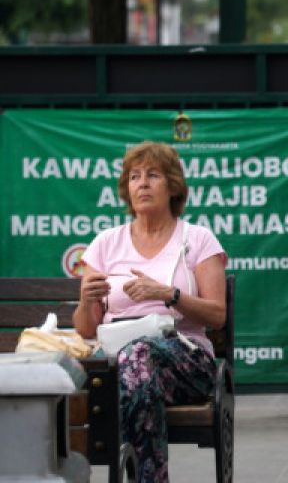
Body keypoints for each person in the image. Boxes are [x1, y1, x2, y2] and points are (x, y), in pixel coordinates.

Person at [73, 141, 227, 483]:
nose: (142, 183)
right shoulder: (105, 243)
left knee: (137, 358)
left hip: (185, 358)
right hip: (118, 360)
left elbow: (217, 316)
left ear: (172, 185)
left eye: (153, 175)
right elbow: (85, 329)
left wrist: (168, 294)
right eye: (134, 176)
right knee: (133, 370)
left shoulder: (198, 239)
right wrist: (86, 302)